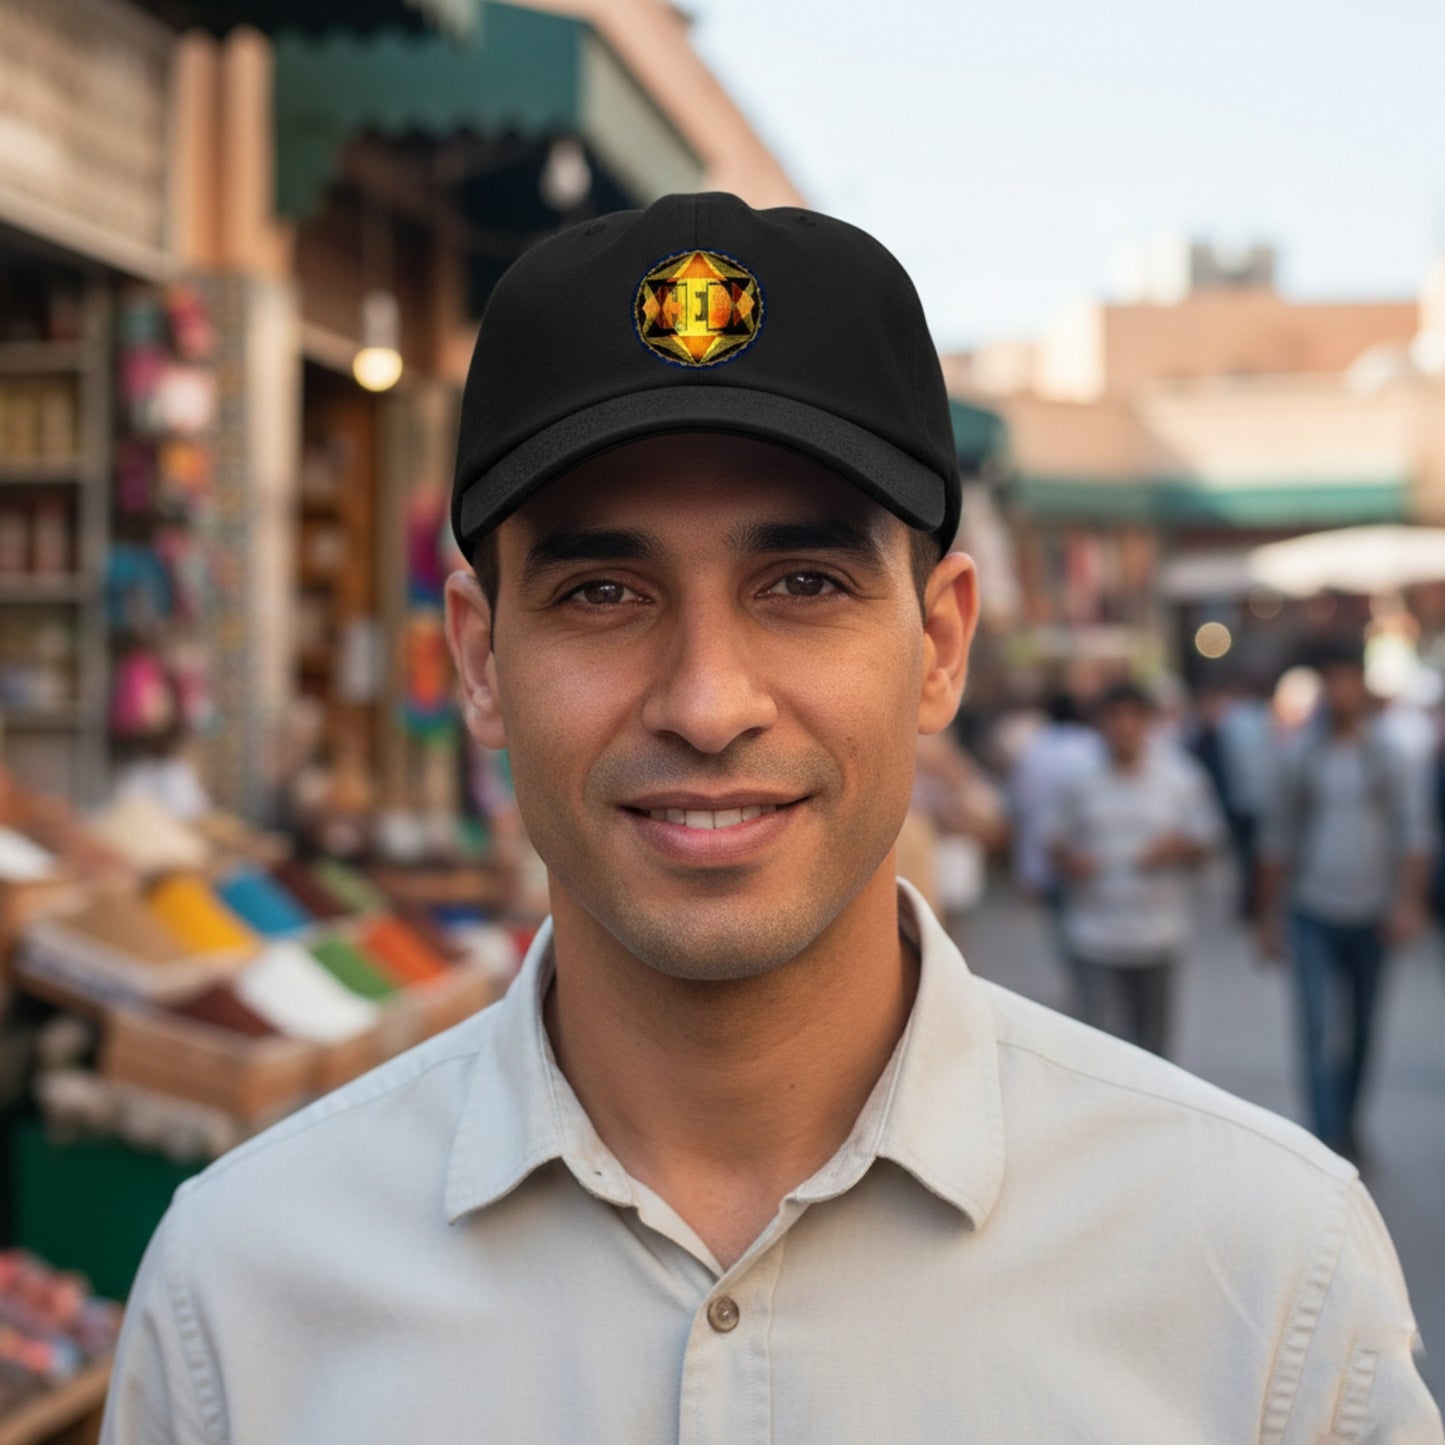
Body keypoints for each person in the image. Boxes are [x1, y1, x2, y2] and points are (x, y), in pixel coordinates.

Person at [102, 194, 1440, 1441]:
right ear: (479, 658)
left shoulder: (1261, 1280)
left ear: (939, 645)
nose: (706, 700)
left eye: (800, 581)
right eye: (599, 594)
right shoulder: (244, 1295)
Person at [1256, 641, 1437, 1156]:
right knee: (1314, 1025)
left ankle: (1349, 1118)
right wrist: (1267, 917)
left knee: (1361, 1026)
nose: (1339, 693)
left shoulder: (1389, 756)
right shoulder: (1299, 757)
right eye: (1330, 682)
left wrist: (1409, 902)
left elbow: (1415, 835)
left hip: (1372, 911)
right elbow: (1277, 840)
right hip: (1312, 908)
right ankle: (1323, 1129)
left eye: (1347, 681)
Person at [1049, 681, 1224, 1057]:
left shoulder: (1180, 777)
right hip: (1093, 933)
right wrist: (1071, 861)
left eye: (1132, 718)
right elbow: (1051, 840)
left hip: (1158, 934)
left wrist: (1177, 849)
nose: (1123, 727)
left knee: (1154, 1051)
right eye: (1113, 718)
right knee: (1098, 1047)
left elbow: (1208, 840)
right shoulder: (1078, 780)